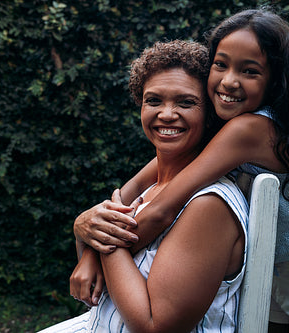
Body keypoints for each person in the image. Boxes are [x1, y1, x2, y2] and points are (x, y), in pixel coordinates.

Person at [75, 8, 289, 333]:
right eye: (220, 64)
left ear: (276, 79)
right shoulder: (229, 122)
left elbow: (161, 212)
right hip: (267, 263)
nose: (229, 81)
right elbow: (140, 182)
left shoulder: (250, 130)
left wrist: (96, 252)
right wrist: (93, 224)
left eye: (249, 71)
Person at [39, 40, 249, 333]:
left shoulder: (209, 204)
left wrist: (102, 238)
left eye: (186, 102)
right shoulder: (147, 189)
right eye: (154, 101)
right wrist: (84, 228)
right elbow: (102, 287)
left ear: (211, 112)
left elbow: (156, 328)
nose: (166, 114)